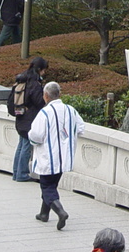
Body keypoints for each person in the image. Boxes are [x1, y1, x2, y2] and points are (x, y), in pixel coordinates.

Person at [29, 80, 85, 230]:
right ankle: (44, 214)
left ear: (45, 96)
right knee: (51, 186)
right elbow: (81, 127)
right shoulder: (71, 110)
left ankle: (60, 212)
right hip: (64, 158)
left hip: (48, 158)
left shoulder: (45, 113)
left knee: (47, 186)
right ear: (59, 94)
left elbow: (35, 135)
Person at [9, 56, 49, 181]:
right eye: (43, 70)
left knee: (21, 145)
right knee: (26, 146)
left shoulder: (22, 79)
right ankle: (22, 174)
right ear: (39, 69)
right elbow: (39, 102)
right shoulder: (34, 83)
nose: (44, 73)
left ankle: (16, 173)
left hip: (20, 115)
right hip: (30, 118)